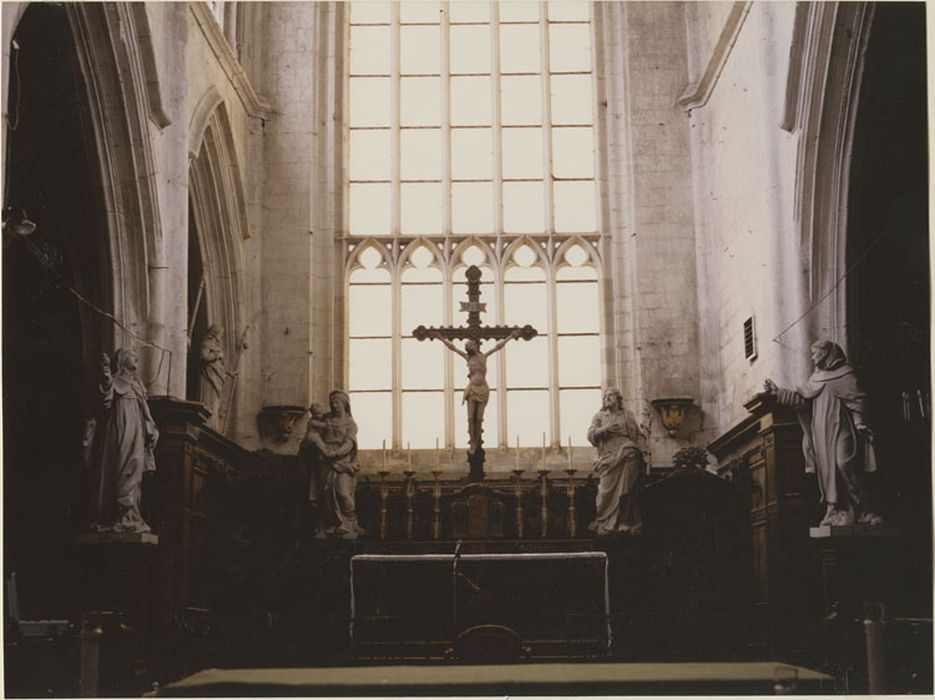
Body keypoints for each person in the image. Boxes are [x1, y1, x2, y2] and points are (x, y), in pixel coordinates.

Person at [764, 340, 882, 527]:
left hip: (841, 427)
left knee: (844, 463)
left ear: (826, 353)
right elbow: (802, 401)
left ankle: (864, 509)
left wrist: (859, 422)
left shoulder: (845, 374)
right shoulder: (816, 378)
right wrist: (778, 393)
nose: (812, 357)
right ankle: (835, 509)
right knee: (828, 471)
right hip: (821, 431)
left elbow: (857, 400)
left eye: (815, 352)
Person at [85, 348, 159, 533]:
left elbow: (145, 409)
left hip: (137, 428)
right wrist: (106, 376)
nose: (137, 358)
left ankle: (131, 513)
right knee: (122, 465)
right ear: (123, 359)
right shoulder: (116, 380)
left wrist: (152, 427)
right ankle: (121, 513)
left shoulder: (137, 383)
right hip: (120, 424)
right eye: (133, 355)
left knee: (135, 467)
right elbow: (106, 400)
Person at [430, 330, 522, 453]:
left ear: (476, 346)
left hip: (483, 389)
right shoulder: (467, 357)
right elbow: (453, 348)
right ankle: (472, 442)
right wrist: (440, 338)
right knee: (470, 418)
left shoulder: (484, 356)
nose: (468, 347)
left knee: (479, 418)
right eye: (467, 346)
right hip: (472, 389)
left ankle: (476, 440)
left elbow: (498, 347)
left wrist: (510, 337)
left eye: (470, 345)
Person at [300, 391, 364, 539]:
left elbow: (349, 444)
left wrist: (335, 453)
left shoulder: (350, 423)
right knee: (324, 494)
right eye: (332, 403)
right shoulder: (325, 419)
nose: (334, 406)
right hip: (323, 462)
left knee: (342, 491)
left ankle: (349, 523)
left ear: (344, 404)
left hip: (343, 462)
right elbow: (311, 431)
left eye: (337, 403)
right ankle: (329, 526)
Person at [587, 387, 646, 536]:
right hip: (608, 456)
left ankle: (625, 522)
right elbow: (590, 435)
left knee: (628, 488)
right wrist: (605, 429)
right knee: (604, 491)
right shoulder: (599, 416)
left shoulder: (628, 415)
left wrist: (644, 452)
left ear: (618, 399)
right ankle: (604, 521)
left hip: (627, 453)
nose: (607, 398)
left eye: (611, 395)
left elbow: (638, 435)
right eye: (605, 396)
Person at [199, 325, 236, 427]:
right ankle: (208, 424)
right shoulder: (207, 343)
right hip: (209, 377)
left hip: (217, 377)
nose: (222, 336)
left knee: (215, 402)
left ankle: (214, 424)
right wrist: (217, 355)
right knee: (210, 400)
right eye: (221, 334)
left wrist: (229, 373)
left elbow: (219, 365)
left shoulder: (215, 346)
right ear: (215, 333)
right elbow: (204, 357)